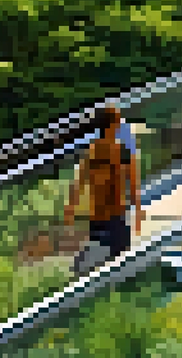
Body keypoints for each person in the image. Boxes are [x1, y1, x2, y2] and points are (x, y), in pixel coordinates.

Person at [63, 107, 144, 263]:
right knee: (117, 264)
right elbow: (133, 183)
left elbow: (78, 182)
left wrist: (71, 208)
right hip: (115, 218)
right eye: (117, 121)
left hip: (98, 217)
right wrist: (138, 210)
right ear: (112, 125)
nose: (120, 124)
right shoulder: (122, 151)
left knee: (101, 264)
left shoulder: (91, 151)